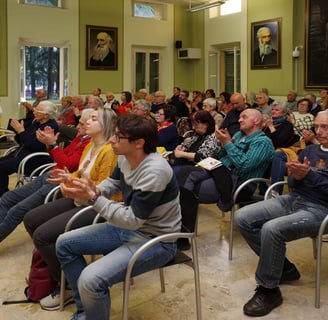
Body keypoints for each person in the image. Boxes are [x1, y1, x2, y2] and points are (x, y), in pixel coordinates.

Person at [55, 114, 181, 320]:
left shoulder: (154, 170)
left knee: (91, 279)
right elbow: (112, 184)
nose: (112, 140)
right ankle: (86, 312)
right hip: (129, 228)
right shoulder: (125, 156)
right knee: (64, 244)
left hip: (156, 240)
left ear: (139, 142)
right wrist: (87, 189)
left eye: (118, 137)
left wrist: (93, 198)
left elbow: (133, 219)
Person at [23, 108, 120, 311]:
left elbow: (103, 188)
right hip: (79, 199)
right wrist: (67, 179)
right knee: (31, 218)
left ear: (105, 126)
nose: (85, 122)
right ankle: (56, 272)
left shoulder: (109, 152)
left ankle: (65, 285)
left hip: (96, 207)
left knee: (43, 236)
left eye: (93, 119)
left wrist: (72, 183)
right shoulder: (91, 145)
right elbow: (78, 172)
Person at [235, 110, 328, 317]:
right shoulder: (309, 151)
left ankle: (269, 289)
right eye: (317, 126)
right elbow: (293, 184)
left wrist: (309, 175)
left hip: (321, 209)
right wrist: (296, 175)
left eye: (325, 127)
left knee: (272, 228)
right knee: (243, 217)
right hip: (294, 199)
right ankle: (284, 267)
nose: (319, 131)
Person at [0, 109, 92, 243]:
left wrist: (52, 145)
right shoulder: (79, 138)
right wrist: (51, 145)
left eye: (82, 124)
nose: (77, 127)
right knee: (7, 198)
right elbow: (62, 155)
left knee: (17, 209)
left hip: (59, 181)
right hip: (51, 172)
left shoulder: (88, 143)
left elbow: (68, 164)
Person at [178, 109, 274, 212]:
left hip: (239, 182)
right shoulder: (238, 135)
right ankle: (181, 217)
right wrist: (224, 144)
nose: (240, 120)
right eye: (240, 117)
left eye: (244, 117)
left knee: (191, 189)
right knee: (184, 173)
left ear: (256, 121)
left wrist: (228, 143)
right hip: (219, 171)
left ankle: (182, 220)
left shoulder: (263, 142)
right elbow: (220, 156)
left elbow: (244, 166)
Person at [0, 100, 59, 196]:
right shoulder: (36, 122)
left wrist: (21, 132)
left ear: (46, 115)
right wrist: (19, 132)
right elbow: (22, 141)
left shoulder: (49, 127)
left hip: (35, 159)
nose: (34, 111)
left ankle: (3, 195)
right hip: (23, 153)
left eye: (38, 110)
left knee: (1, 168)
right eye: (35, 109)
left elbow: (33, 146)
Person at [171, 110, 219, 175]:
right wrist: (182, 148)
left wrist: (182, 154)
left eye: (196, 124)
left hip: (202, 168)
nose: (193, 127)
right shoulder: (198, 135)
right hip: (188, 165)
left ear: (206, 125)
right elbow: (186, 145)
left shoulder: (213, 137)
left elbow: (203, 157)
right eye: (192, 124)